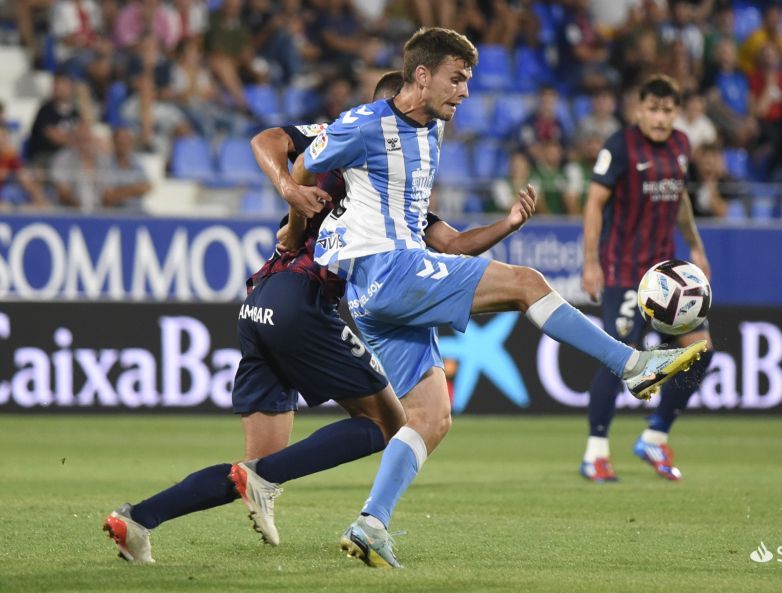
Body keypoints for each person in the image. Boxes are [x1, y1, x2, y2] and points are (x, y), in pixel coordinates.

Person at [298, 28, 707, 568]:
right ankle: (632, 364)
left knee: (429, 417)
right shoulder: (365, 122)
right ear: (421, 76)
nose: (465, 91)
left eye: (468, 80)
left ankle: (371, 523)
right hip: (387, 271)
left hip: (377, 292)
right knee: (526, 284)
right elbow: (300, 164)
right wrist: (292, 211)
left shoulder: (430, 134)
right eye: (457, 78)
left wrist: (509, 223)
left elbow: (445, 240)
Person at [101, 70, 538, 563]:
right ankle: (266, 483)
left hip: (259, 302)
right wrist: (290, 192)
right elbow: (269, 141)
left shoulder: (395, 198)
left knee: (256, 465)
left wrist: (508, 223)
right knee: (389, 423)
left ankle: (137, 518)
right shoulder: (350, 146)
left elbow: (455, 243)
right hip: (301, 301)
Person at [579, 75, 714, 484]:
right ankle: (595, 452)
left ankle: (655, 435)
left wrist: (697, 247)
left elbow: (680, 199)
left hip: (667, 278)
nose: (660, 118)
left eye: (667, 110)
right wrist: (590, 262)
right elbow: (594, 203)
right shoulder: (619, 146)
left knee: (700, 349)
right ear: (639, 110)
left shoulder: (681, 146)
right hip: (623, 271)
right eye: (652, 109)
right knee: (619, 358)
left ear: (676, 112)